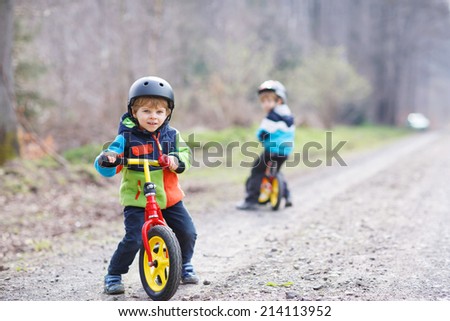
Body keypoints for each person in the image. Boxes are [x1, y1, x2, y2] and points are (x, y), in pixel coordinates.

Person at [94, 76, 198, 295]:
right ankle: (114, 273)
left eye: (159, 112)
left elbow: (186, 154)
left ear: (168, 113)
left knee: (187, 232)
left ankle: (184, 263)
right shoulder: (126, 137)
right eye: (147, 112)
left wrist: (176, 160)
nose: (153, 117)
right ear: (134, 112)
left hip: (169, 197)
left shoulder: (172, 135)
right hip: (138, 198)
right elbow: (107, 159)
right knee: (133, 239)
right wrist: (109, 158)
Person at [236, 80, 295, 211]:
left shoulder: (271, 117)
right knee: (277, 171)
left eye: (268, 101)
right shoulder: (289, 115)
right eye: (263, 101)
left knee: (257, 170)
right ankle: (287, 195)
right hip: (285, 151)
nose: (265, 104)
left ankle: (251, 200)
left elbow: (262, 133)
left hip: (272, 150)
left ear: (279, 101)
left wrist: (261, 137)